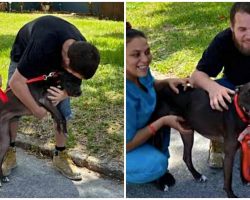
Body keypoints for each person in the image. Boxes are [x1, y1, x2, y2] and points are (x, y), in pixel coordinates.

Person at [2, 15, 100, 180]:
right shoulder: (41, 48)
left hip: (57, 57)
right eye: (73, 74)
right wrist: (36, 109)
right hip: (25, 52)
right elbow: (17, 82)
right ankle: (9, 152)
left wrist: (64, 94)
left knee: (62, 107)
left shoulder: (81, 51)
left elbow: (75, 84)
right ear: (66, 63)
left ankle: (60, 155)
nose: (76, 78)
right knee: (12, 106)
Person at [126, 22, 192, 187]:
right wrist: (162, 122)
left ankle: (155, 160)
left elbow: (150, 83)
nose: (145, 59)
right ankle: (136, 171)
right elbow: (125, 145)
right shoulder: (125, 94)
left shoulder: (139, 71)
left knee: (164, 108)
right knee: (157, 164)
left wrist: (167, 81)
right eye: (136, 55)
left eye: (147, 52)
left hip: (144, 127)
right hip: (127, 144)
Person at [190, 2, 250, 168]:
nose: (249, 35)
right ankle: (218, 141)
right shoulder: (223, 41)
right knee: (212, 94)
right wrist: (213, 88)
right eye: (242, 29)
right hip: (234, 88)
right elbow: (196, 77)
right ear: (232, 26)